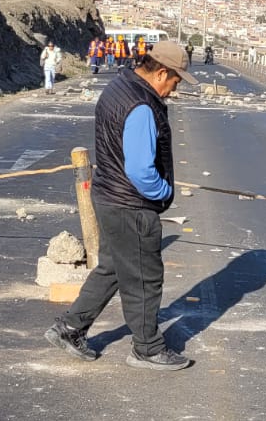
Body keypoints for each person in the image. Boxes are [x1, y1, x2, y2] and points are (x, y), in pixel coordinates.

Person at [45, 40, 196, 370]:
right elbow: (141, 170)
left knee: (113, 267)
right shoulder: (142, 105)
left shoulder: (119, 85)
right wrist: (160, 192)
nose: (175, 88)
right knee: (144, 277)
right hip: (131, 203)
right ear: (161, 72)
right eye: (175, 80)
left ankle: (69, 329)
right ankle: (147, 348)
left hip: (108, 195)